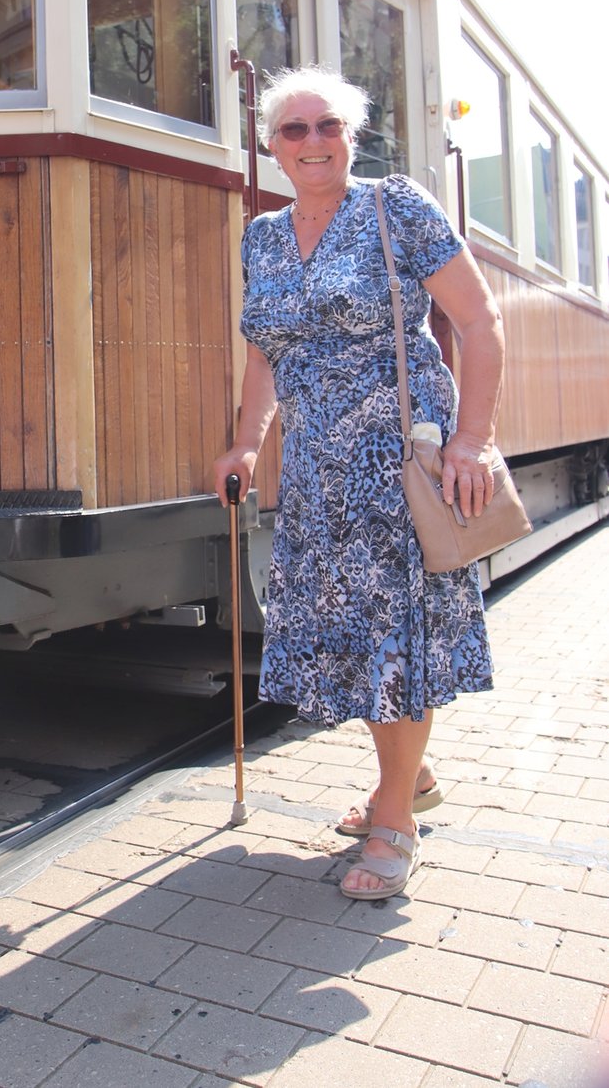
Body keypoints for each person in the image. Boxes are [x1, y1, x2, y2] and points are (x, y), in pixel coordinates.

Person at [213, 65, 503, 901]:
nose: (313, 142)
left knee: (394, 635)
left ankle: (395, 824)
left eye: (328, 126)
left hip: (396, 463)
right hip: (314, 472)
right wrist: (245, 442)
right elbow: (268, 349)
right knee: (353, 640)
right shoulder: (261, 237)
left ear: (352, 135)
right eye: (294, 130)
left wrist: (473, 441)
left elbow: (480, 323)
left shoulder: (395, 206)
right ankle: (404, 780)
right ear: (270, 146)